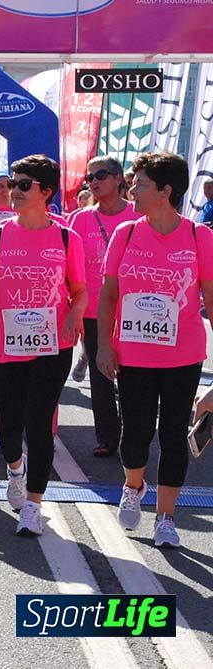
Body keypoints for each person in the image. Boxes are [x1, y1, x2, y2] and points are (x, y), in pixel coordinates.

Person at [0, 154, 87, 536]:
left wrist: (74, 313)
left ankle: (33, 504)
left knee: (39, 424)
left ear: (45, 192)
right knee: (9, 429)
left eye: (22, 185)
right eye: (11, 184)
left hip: (52, 345)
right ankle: (15, 470)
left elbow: (80, 290)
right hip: (6, 344)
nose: (12, 191)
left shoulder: (67, 237)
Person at [96, 151, 213, 549]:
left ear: (165, 190)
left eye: (140, 184)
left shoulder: (199, 236)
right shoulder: (126, 233)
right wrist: (104, 345)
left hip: (183, 356)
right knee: (135, 434)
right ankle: (133, 487)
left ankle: (166, 517)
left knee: (173, 435)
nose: (132, 190)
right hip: (134, 355)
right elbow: (109, 295)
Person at [67, 156, 137, 458]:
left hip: (135, 311)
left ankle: (134, 435)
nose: (94, 181)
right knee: (101, 375)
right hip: (93, 312)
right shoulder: (80, 219)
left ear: (119, 178)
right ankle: (107, 437)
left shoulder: (138, 214)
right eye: (90, 177)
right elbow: (70, 267)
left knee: (133, 377)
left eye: (101, 175)